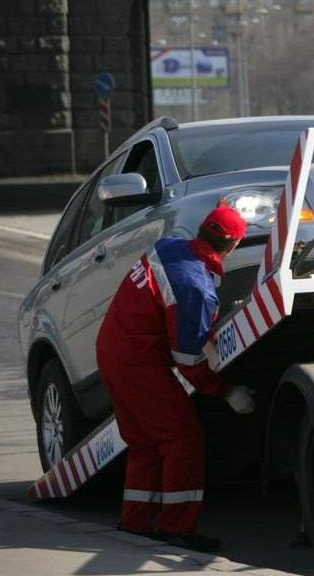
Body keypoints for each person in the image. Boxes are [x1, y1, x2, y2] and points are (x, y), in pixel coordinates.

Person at [95, 204, 256, 552]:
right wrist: (227, 392)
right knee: (182, 439)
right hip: (138, 363)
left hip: (113, 351)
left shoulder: (170, 246)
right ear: (233, 246)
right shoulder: (195, 287)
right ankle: (179, 528)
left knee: (145, 443)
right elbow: (188, 359)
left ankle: (136, 523)